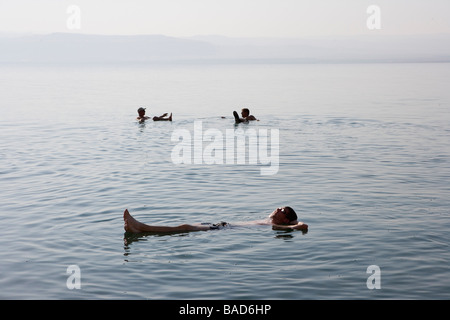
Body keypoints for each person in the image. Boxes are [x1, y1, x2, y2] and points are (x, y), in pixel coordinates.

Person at [123, 206, 308, 233]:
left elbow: (302, 225)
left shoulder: (280, 227)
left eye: (282, 210)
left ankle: (142, 227)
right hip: (220, 225)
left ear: (286, 219)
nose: (277, 209)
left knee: (183, 228)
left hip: (221, 229)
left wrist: (292, 225)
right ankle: (139, 229)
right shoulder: (271, 221)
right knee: (184, 227)